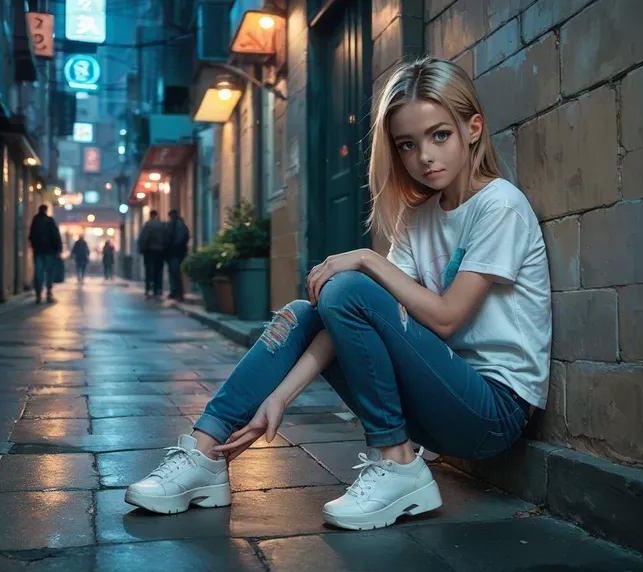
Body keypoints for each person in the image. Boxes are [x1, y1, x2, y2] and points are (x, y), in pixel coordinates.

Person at [125, 57, 551, 531]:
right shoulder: (418, 216)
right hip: (438, 400)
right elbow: (349, 315)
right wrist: (283, 397)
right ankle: (205, 452)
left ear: (473, 128)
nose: (425, 157)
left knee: (348, 285)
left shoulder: (500, 206)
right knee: (305, 312)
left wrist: (368, 259)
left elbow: (448, 318)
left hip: (492, 411)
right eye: (407, 145)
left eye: (440, 136)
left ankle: (397, 462)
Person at [28, 204, 62, 303]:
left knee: (38, 272)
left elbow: (31, 236)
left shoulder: (35, 221)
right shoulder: (50, 221)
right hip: (49, 251)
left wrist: (34, 246)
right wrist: (58, 249)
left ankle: (38, 294)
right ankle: (48, 293)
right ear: (46, 210)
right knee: (49, 273)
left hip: (38, 251)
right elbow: (55, 235)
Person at [138, 210, 166, 298]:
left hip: (149, 251)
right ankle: (158, 289)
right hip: (160, 251)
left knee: (148, 270)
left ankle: (148, 288)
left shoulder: (148, 225)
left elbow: (143, 238)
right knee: (158, 270)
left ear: (150, 215)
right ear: (156, 215)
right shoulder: (161, 225)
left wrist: (142, 249)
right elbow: (166, 237)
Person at [165, 209, 190, 301]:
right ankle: (176, 292)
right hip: (176, 253)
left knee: (175, 273)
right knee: (174, 272)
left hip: (175, 253)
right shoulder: (179, 225)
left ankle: (178, 292)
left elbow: (179, 239)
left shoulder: (177, 225)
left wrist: (171, 246)